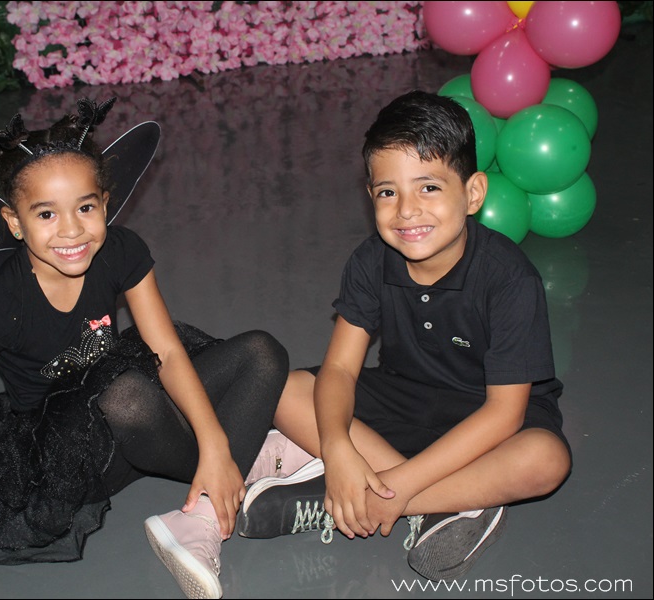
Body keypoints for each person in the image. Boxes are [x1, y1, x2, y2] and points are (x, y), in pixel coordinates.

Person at [0, 98, 291, 599]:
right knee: (128, 397)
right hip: (68, 449)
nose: (72, 230)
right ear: (15, 222)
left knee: (262, 351)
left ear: (105, 203)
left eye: (86, 207)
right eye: (46, 214)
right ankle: (253, 460)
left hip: (129, 395)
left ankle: (218, 488)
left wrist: (214, 444)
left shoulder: (120, 250)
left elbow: (166, 350)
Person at [237, 90, 572, 582]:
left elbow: (504, 414)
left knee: (546, 461)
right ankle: (459, 502)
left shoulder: (509, 278)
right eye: (387, 192)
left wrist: (395, 488)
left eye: (429, 187)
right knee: (285, 389)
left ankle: (365, 499)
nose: (407, 211)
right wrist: (338, 446)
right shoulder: (370, 260)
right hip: (404, 397)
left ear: (473, 193)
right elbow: (340, 369)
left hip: (491, 417)